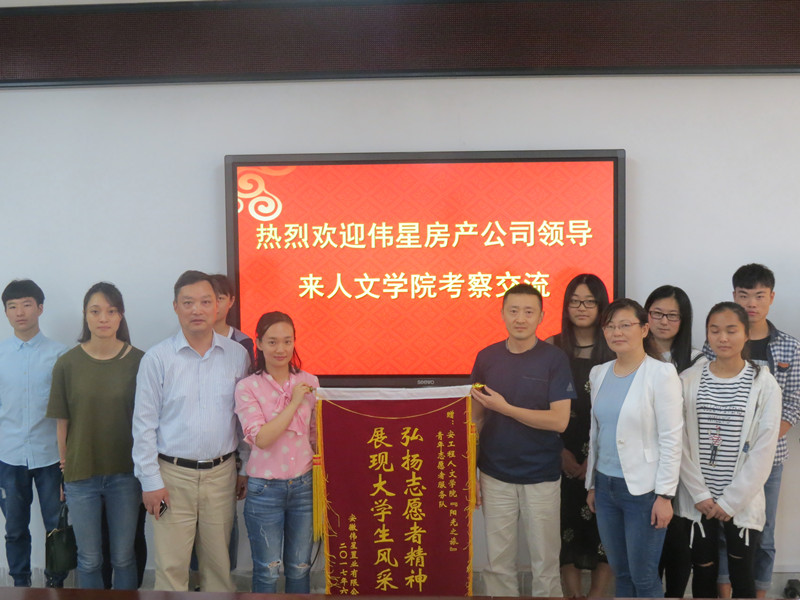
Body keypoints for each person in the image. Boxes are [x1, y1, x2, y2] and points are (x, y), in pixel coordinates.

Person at [132, 270, 250, 592]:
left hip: (221, 476)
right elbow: (143, 425)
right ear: (175, 307)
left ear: (218, 306)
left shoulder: (237, 356)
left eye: (205, 302)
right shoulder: (157, 358)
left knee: (218, 568)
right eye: (188, 302)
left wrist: (243, 468)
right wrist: (151, 482)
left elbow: (242, 419)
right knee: (171, 569)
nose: (197, 309)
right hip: (171, 478)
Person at [470, 283, 575, 597]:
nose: (520, 318)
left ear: (541, 316)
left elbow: (559, 420)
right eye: (513, 310)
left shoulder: (554, 359)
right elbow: (476, 419)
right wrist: (471, 472)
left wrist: (506, 409)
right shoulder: (486, 357)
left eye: (529, 311)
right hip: (495, 474)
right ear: (502, 314)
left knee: (545, 562)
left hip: (541, 475)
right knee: (498, 563)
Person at [703, 264, 800, 598]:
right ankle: (724, 592)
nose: (751, 303)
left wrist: (759, 447)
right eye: (744, 295)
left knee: (763, 530)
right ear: (734, 296)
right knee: (721, 526)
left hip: (769, 459)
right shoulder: (716, 343)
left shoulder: (789, 347)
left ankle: (759, 593)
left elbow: (793, 405)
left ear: (771, 297)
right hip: (720, 458)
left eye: (759, 296)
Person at [676, 302, 780, 598]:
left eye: (731, 330)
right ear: (707, 334)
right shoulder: (688, 380)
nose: (722, 338)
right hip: (699, 501)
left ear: (746, 334)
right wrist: (700, 495)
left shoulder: (764, 384)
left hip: (741, 500)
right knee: (703, 571)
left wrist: (731, 501)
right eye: (715, 330)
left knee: (742, 574)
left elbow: (764, 449)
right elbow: (680, 441)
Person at [46, 282, 144, 589]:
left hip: (126, 475)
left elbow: (148, 421)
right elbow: (62, 422)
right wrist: (65, 467)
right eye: (95, 311)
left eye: (111, 311)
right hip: (81, 476)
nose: (103, 318)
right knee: (89, 559)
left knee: (123, 557)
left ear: (121, 316)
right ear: (85, 316)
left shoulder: (139, 361)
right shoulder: (67, 363)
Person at [585, 298, 683, 598]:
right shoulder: (599, 373)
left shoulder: (661, 373)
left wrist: (665, 495)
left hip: (644, 491)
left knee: (644, 576)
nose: (617, 332)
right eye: (610, 326)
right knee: (621, 572)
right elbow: (597, 432)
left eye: (625, 325)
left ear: (643, 329)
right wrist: (592, 484)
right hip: (605, 487)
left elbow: (672, 437)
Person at [234, 311, 318, 593]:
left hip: (304, 487)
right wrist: (293, 403)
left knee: (300, 567)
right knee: (267, 570)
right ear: (258, 343)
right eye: (272, 342)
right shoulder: (247, 387)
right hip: (264, 491)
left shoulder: (310, 381)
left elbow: (315, 436)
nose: (280, 349)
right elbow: (262, 438)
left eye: (287, 341)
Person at [547, 274, 614, 597]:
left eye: (589, 301)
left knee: (605, 527)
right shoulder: (552, 347)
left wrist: (595, 458)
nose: (581, 308)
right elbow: (539, 405)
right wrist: (559, 451)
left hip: (606, 452)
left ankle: (596, 595)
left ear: (602, 307)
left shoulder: (615, 347)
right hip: (558, 450)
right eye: (574, 301)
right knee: (564, 526)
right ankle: (572, 595)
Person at [0, 279, 68, 588]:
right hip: (9, 456)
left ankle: (55, 584)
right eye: (12, 306)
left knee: (57, 526)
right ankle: (20, 585)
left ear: (40, 308)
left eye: (26, 304)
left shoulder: (60, 355)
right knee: (15, 528)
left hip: (50, 456)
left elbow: (68, 411)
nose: (20, 312)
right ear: (6, 312)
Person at [643, 284, 701, 597]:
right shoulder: (631, 356)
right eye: (657, 313)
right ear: (646, 315)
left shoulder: (697, 361)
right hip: (642, 464)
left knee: (679, 543)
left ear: (684, 321)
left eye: (672, 316)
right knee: (647, 547)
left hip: (682, 465)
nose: (664, 321)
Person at [211, 274, 254, 361]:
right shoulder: (192, 339)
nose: (215, 304)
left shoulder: (243, 341)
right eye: (209, 299)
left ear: (231, 301)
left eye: (220, 298)